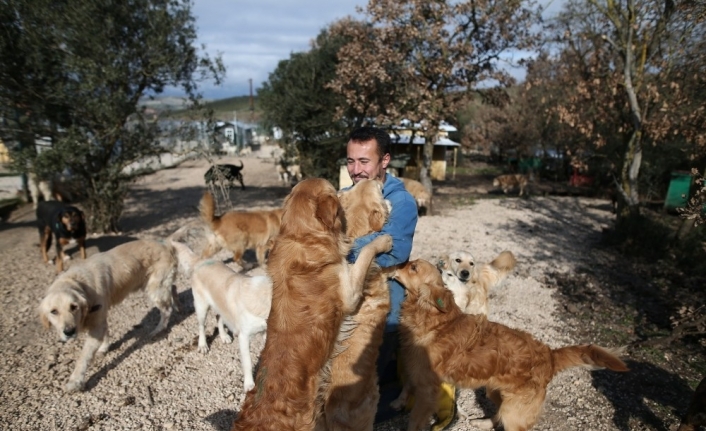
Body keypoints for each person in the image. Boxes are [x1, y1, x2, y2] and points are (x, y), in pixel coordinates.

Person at [344, 126, 418, 423]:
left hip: (383, 307)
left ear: (384, 160)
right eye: (351, 161)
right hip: (351, 298)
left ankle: (392, 406)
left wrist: (336, 248)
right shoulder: (348, 195)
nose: (356, 170)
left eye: (364, 162)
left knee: (365, 383)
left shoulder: (401, 203)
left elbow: (394, 250)